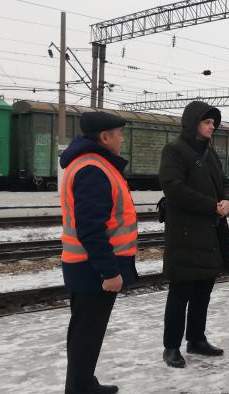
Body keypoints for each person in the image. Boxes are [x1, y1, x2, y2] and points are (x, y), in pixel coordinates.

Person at [60, 112, 138, 394]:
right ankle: (79, 388)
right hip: (93, 268)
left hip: (87, 265)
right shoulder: (93, 169)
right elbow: (91, 228)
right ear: (104, 137)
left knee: (86, 332)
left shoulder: (92, 164)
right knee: (87, 333)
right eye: (119, 134)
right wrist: (109, 272)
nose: (122, 139)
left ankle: (83, 383)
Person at [158, 101, 229, 368]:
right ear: (193, 122)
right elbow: (173, 187)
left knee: (204, 289)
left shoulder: (209, 153)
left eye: (214, 123)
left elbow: (224, 183)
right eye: (207, 122)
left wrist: (228, 200)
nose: (212, 127)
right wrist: (211, 205)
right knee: (180, 293)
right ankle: (171, 347)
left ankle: (196, 339)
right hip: (185, 233)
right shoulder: (175, 150)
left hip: (210, 233)